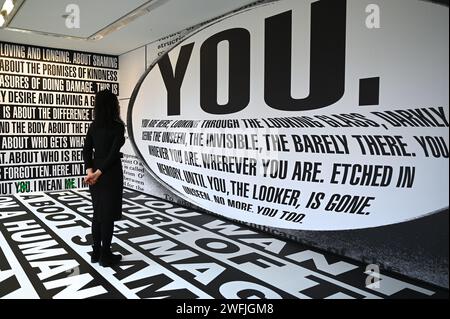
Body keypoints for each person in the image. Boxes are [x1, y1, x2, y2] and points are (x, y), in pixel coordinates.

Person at [82, 89, 125, 267]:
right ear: (113, 105)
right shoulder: (117, 126)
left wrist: (90, 171)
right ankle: (106, 256)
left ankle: (96, 252)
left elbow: (86, 149)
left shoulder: (94, 125)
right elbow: (113, 154)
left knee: (98, 213)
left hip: (95, 177)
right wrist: (98, 173)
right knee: (107, 216)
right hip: (110, 174)